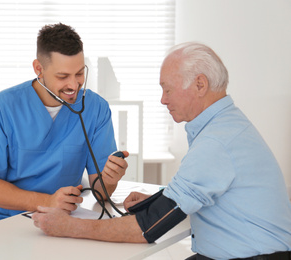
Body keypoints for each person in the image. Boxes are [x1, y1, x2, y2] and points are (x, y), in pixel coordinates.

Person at [32, 42, 291, 259]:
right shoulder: (227, 125)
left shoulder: (216, 143)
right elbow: (201, 190)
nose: (163, 99)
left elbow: (147, 229)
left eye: (167, 89)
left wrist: (69, 227)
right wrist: (155, 199)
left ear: (200, 85)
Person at [0, 23, 129, 230]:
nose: (73, 85)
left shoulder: (96, 109)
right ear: (38, 69)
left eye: (79, 74)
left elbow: (101, 192)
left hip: (58, 220)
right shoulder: (2, 107)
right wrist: (47, 201)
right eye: (62, 77)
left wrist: (110, 179)